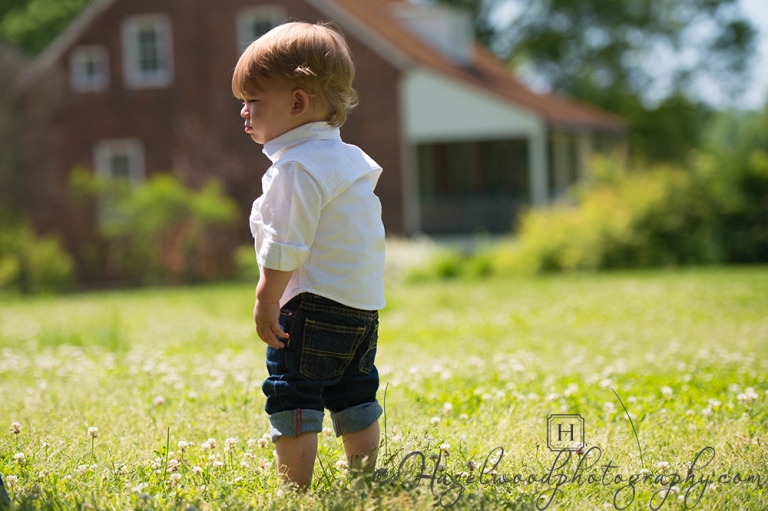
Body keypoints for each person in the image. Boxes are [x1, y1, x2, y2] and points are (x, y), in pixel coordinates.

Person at [231, 21, 386, 491]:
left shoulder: (296, 167)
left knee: (293, 392)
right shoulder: (349, 158)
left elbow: (286, 242)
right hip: (360, 307)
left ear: (297, 102)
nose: (243, 112)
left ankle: (294, 488)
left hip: (310, 303)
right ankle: (363, 477)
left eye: (253, 101)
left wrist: (267, 297)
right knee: (354, 390)